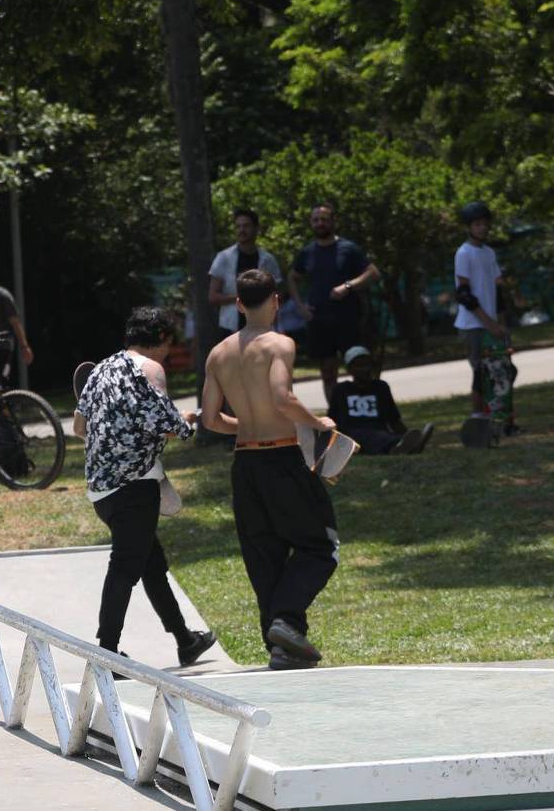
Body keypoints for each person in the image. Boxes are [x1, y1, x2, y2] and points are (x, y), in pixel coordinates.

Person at [199, 268, 337, 670]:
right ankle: (286, 622)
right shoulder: (279, 344)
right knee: (319, 546)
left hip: (245, 465)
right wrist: (318, 422)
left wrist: (246, 426)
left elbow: (210, 419)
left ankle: (282, 645)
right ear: (275, 300)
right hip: (283, 458)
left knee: (264, 556)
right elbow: (281, 396)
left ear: (239, 303)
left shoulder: (218, 353)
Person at [73, 308, 218, 665]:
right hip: (136, 487)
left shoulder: (100, 370)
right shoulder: (150, 369)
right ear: (162, 339)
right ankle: (106, 650)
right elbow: (167, 425)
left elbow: (79, 427)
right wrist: (185, 421)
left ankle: (185, 640)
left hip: (102, 492)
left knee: (151, 563)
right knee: (124, 566)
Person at [290, 205, 380, 407]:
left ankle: (364, 411)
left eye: (324, 219)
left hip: (348, 319)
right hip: (319, 321)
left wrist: (348, 286)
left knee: (360, 369)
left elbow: (373, 272)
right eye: (316, 220)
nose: (320, 223)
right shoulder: (307, 252)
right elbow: (293, 278)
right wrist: (301, 306)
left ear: (332, 222)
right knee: (328, 372)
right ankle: (337, 416)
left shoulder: (348, 248)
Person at [452, 202, 516, 433]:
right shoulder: (464, 253)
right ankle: (479, 419)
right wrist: (490, 324)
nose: (482, 228)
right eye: (476, 224)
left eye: (484, 223)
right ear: (469, 227)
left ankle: (503, 418)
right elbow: (464, 295)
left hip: (492, 323)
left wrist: (501, 323)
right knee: (481, 372)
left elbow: (497, 291)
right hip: (473, 324)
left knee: (503, 370)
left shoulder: (489, 252)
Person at [333, 347, 429, 455]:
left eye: (367, 365)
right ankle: (400, 447)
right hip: (353, 434)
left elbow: (393, 419)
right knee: (367, 437)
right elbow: (333, 420)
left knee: (383, 436)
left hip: (378, 431)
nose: (364, 369)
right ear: (349, 369)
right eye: (359, 366)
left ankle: (406, 443)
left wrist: (407, 434)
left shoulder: (380, 387)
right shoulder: (341, 390)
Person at [208, 207, 288, 335]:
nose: (241, 230)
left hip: (263, 326)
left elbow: (278, 294)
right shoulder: (223, 258)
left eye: (246, 226)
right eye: (238, 226)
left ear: (256, 229)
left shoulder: (268, 260)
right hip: (230, 326)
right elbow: (213, 297)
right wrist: (245, 297)